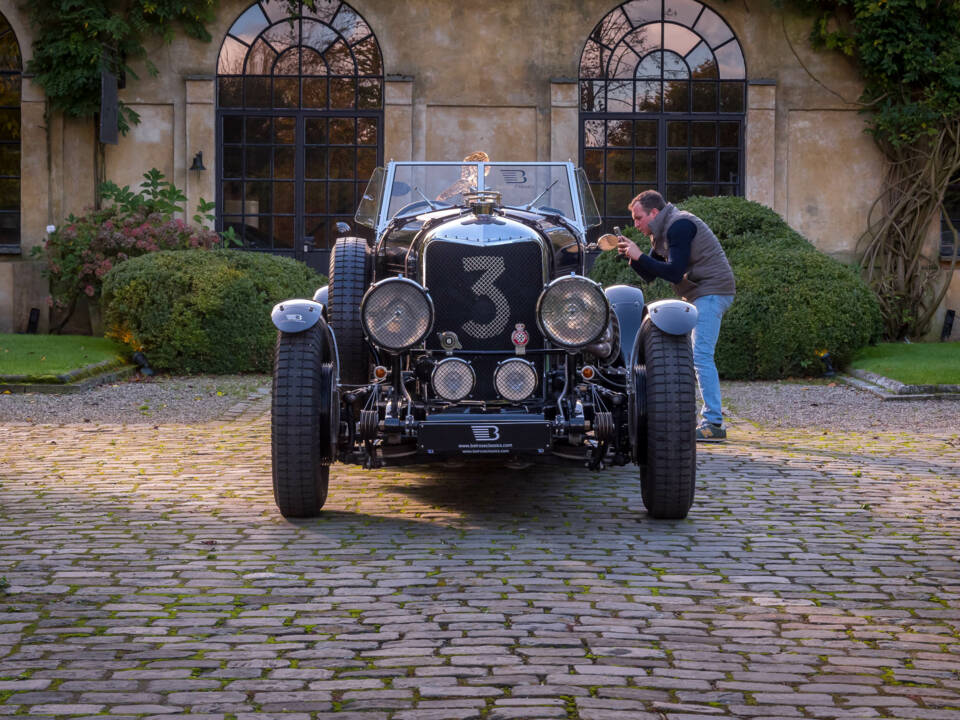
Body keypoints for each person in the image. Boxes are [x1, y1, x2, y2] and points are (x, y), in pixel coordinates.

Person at [616, 190, 736, 442]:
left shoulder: (679, 225)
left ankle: (713, 423)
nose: (636, 224)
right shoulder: (663, 232)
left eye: (639, 218)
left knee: (701, 355)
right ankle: (707, 419)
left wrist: (639, 255)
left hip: (712, 291)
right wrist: (633, 257)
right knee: (698, 355)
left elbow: (673, 272)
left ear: (654, 213)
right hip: (700, 293)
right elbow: (650, 274)